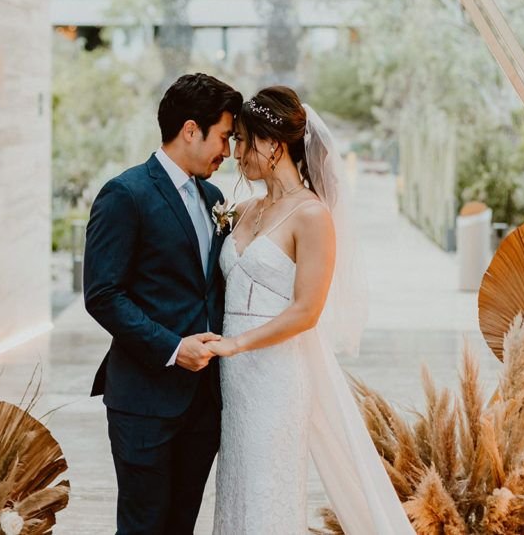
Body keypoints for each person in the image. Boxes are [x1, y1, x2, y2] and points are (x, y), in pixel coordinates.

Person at [207, 86, 415, 534]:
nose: (236, 152)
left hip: (276, 374)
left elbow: (306, 311)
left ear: (274, 145)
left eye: (243, 140)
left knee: (268, 490)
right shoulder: (242, 210)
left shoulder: (312, 216)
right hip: (234, 377)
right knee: (236, 485)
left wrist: (236, 343)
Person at [83, 72, 242, 535]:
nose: (227, 152)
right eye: (224, 137)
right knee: (142, 526)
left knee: (180, 525)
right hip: (145, 400)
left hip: (203, 403)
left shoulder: (214, 198)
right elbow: (102, 295)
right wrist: (174, 348)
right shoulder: (125, 194)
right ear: (191, 129)